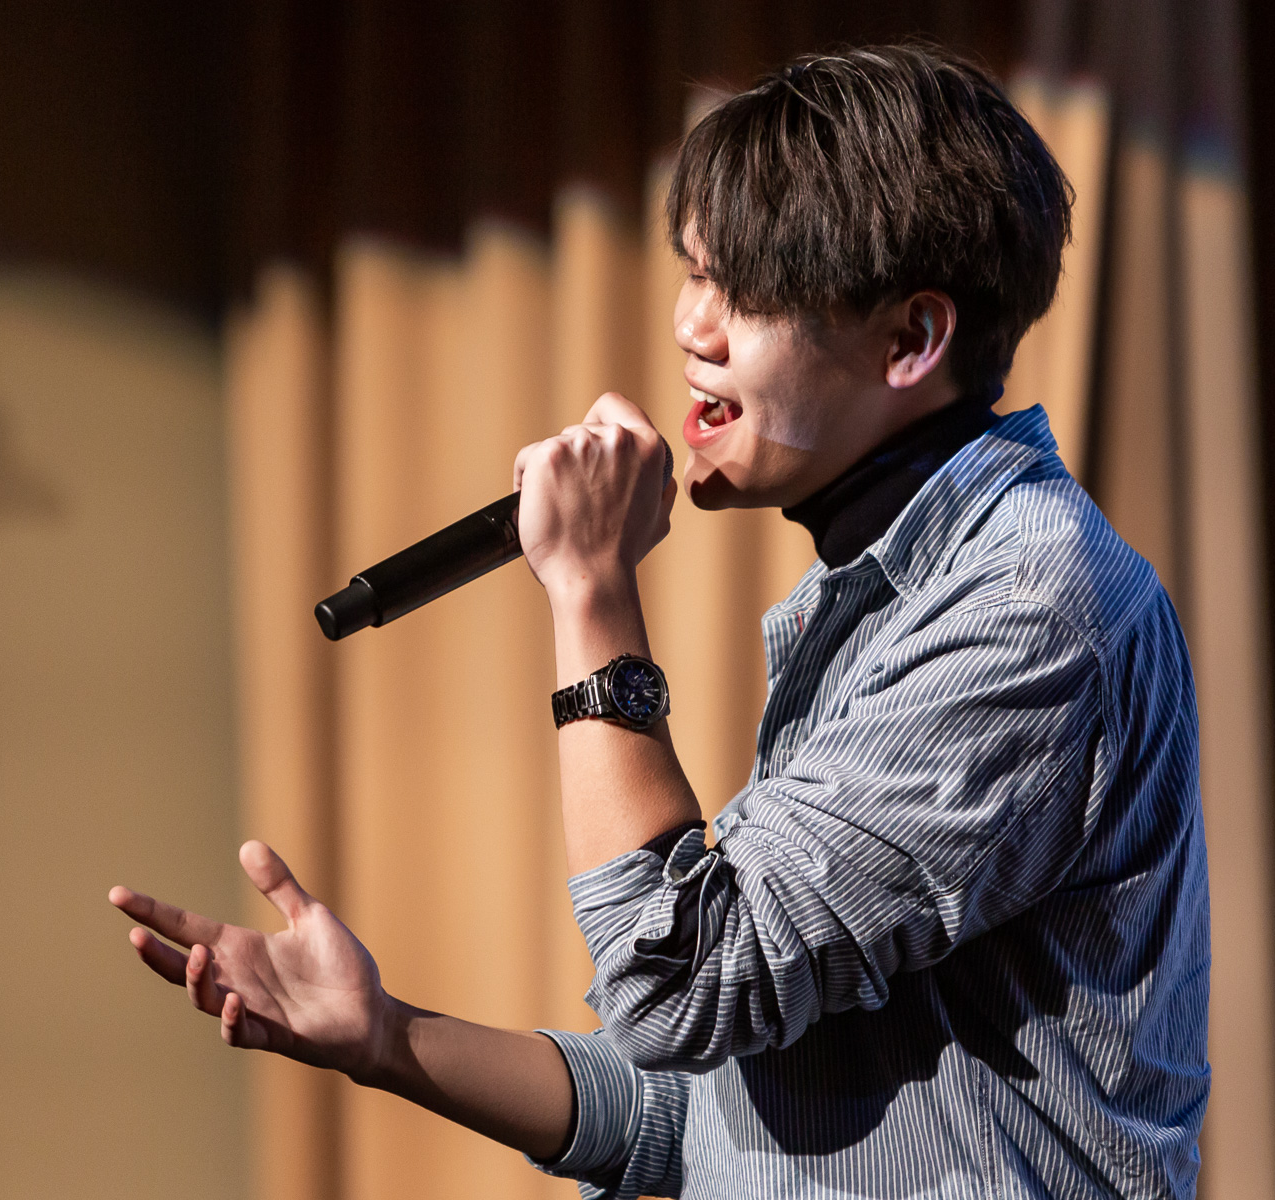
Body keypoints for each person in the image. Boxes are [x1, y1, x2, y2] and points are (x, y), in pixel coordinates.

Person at [110, 43, 1210, 1199]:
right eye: (693, 275)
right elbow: (708, 1114)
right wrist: (386, 1037)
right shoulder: (884, 591)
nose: (693, 327)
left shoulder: (1030, 606)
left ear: (910, 340)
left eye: (746, 290)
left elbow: (683, 982)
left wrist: (590, 588)